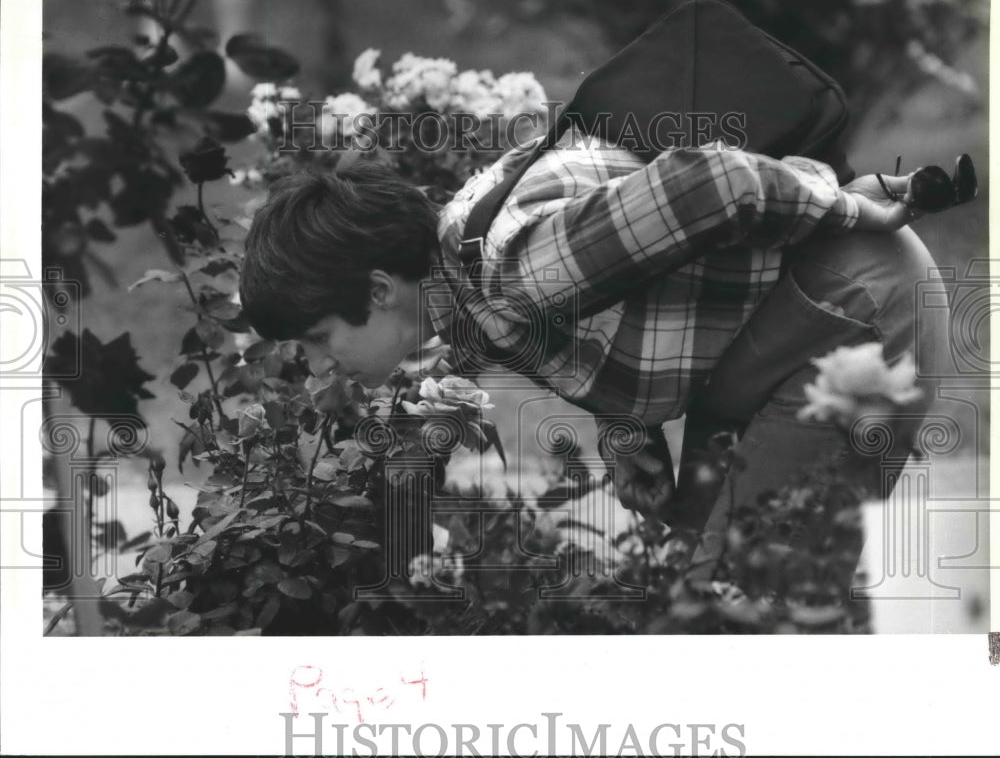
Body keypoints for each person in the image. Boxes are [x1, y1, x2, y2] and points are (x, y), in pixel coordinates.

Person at [239, 132, 949, 581]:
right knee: (696, 588)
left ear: (377, 288)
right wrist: (627, 428)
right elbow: (620, 298)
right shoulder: (463, 293)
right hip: (783, 333)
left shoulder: (508, 267)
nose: (318, 365)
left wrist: (854, 208)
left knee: (745, 606)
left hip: (851, 310)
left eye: (317, 339)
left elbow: (713, 186)